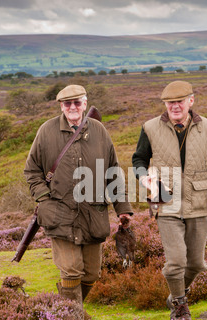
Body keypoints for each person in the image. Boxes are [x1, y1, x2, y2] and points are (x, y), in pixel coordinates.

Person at [25, 85, 133, 307]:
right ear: (61, 107)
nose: (72, 107)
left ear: (85, 104)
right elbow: (32, 170)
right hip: (59, 212)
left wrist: (122, 208)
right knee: (72, 270)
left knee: (91, 274)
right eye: (67, 103)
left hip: (93, 214)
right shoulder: (46, 131)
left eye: (77, 102)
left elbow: (113, 171)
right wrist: (44, 198)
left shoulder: (100, 131)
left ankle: (64, 309)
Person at [132, 80, 207, 320]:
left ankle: (178, 293)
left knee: (197, 264)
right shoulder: (150, 128)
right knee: (176, 261)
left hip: (197, 203)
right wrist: (144, 178)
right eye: (170, 103)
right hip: (166, 204)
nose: (175, 106)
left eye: (179, 101)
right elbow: (139, 160)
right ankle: (179, 306)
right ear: (165, 104)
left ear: (191, 101)